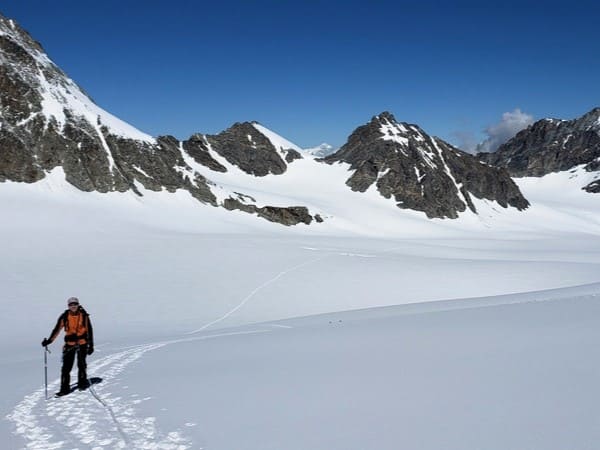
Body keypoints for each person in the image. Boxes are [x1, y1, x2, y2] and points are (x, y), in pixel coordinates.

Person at [41, 297, 94, 396]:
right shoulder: (65, 316)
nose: (73, 306)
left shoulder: (84, 315)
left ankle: (82, 384)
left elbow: (89, 330)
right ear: (68, 306)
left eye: (75, 304)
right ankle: (64, 389)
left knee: (82, 365)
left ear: (78, 305)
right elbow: (57, 329)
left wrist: (91, 345)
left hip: (82, 344)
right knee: (66, 368)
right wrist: (49, 341)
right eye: (71, 304)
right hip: (69, 345)